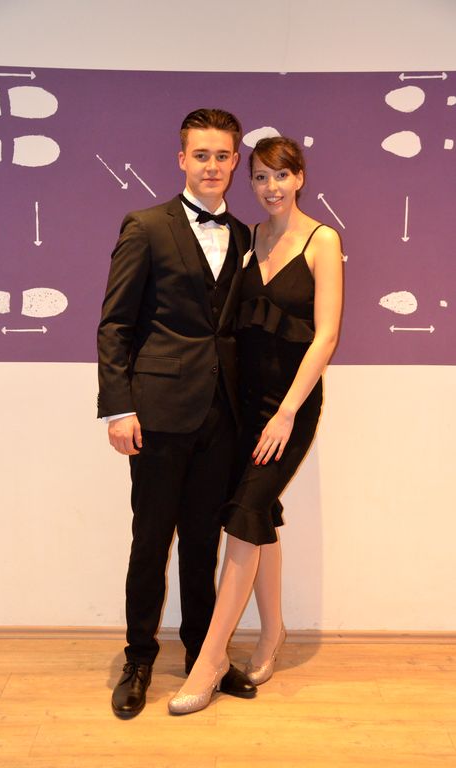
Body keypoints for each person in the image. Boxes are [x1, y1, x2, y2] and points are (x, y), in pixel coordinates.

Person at [168, 135, 343, 714]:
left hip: (289, 407)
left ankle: (211, 659)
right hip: (243, 407)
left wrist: (287, 413)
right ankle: (272, 633)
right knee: (256, 515)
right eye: (261, 177)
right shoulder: (250, 238)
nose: (271, 187)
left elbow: (326, 337)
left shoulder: (321, 240)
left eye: (281, 175)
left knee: (244, 519)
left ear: (300, 177)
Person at [97, 108, 257, 719]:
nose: (212, 165)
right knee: (150, 541)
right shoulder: (145, 226)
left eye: (222, 156)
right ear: (181, 158)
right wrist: (118, 408)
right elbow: (115, 325)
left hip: (222, 417)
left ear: (235, 161)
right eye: (201, 155)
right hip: (159, 413)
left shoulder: (245, 235)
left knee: (201, 543)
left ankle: (202, 654)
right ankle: (139, 658)